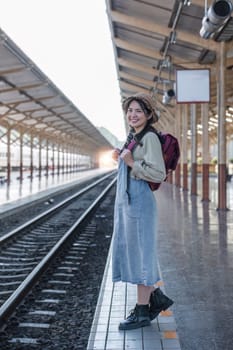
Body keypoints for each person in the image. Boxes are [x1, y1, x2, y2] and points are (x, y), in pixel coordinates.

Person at [111, 92, 173, 331]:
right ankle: (153, 300)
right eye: (130, 110)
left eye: (138, 111)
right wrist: (124, 155)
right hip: (131, 203)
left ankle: (142, 312)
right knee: (135, 255)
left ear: (148, 114)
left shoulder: (150, 138)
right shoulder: (134, 137)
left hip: (140, 203)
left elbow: (158, 173)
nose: (133, 115)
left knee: (141, 256)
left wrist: (129, 163)